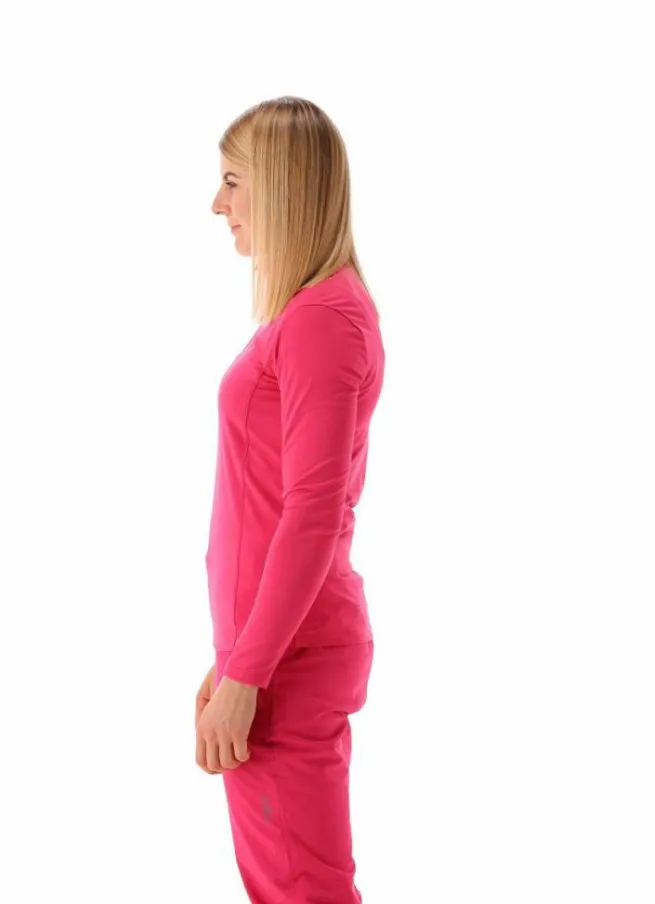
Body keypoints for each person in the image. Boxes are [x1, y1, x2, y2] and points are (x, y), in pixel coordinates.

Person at [195, 96, 385, 904]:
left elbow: (311, 512)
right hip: (271, 656)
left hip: (287, 665)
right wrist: (234, 659)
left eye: (233, 182)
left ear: (280, 187)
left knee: (305, 891)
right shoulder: (311, 314)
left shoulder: (321, 320)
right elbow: (274, 501)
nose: (218, 204)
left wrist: (249, 671)